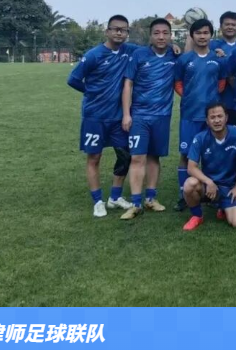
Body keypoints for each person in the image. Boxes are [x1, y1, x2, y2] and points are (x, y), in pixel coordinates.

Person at [67, 14, 136, 217]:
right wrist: (90, 91)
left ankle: (115, 197)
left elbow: (152, 49)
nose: (119, 33)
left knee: (125, 156)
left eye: (124, 30)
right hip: (94, 116)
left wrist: (174, 47)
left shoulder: (129, 51)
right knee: (94, 157)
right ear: (107, 31)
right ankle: (98, 201)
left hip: (118, 116)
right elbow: (73, 79)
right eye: (116, 29)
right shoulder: (94, 55)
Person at [119, 18, 178, 220]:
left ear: (170, 36)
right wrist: (126, 114)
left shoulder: (174, 55)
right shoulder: (139, 55)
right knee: (137, 157)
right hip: (140, 116)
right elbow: (128, 84)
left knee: (154, 157)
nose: (161, 37)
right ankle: (136, 203)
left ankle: (151, 198)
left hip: (162, 116)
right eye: (157, 33)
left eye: (165, 33)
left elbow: (194, 51)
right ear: (150, 36)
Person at [173, 18, 227, 211]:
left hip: (212, 117)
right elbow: (177, 83)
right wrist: (189, 97)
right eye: (198, 33)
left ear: (211, 35)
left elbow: (222, 83)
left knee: (214, 154)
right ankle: (183, 194)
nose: (202, 36)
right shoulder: (184, 59)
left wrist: (211, 102)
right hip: (190, 115)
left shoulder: (218, 59)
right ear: (192, 35)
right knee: (186, 154)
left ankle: (214, 193)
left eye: (206, 33)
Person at [182, 103, 236, 231]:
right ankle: (197, 216)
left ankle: (223, 208)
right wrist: (209, 182)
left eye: (220, 116)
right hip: (209, 187)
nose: (217, 120)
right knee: (189, 184)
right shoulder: (200, 138)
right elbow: (191, 167)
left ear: (226, 117)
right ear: (207, 121)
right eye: (212, 117)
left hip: (230, 187)